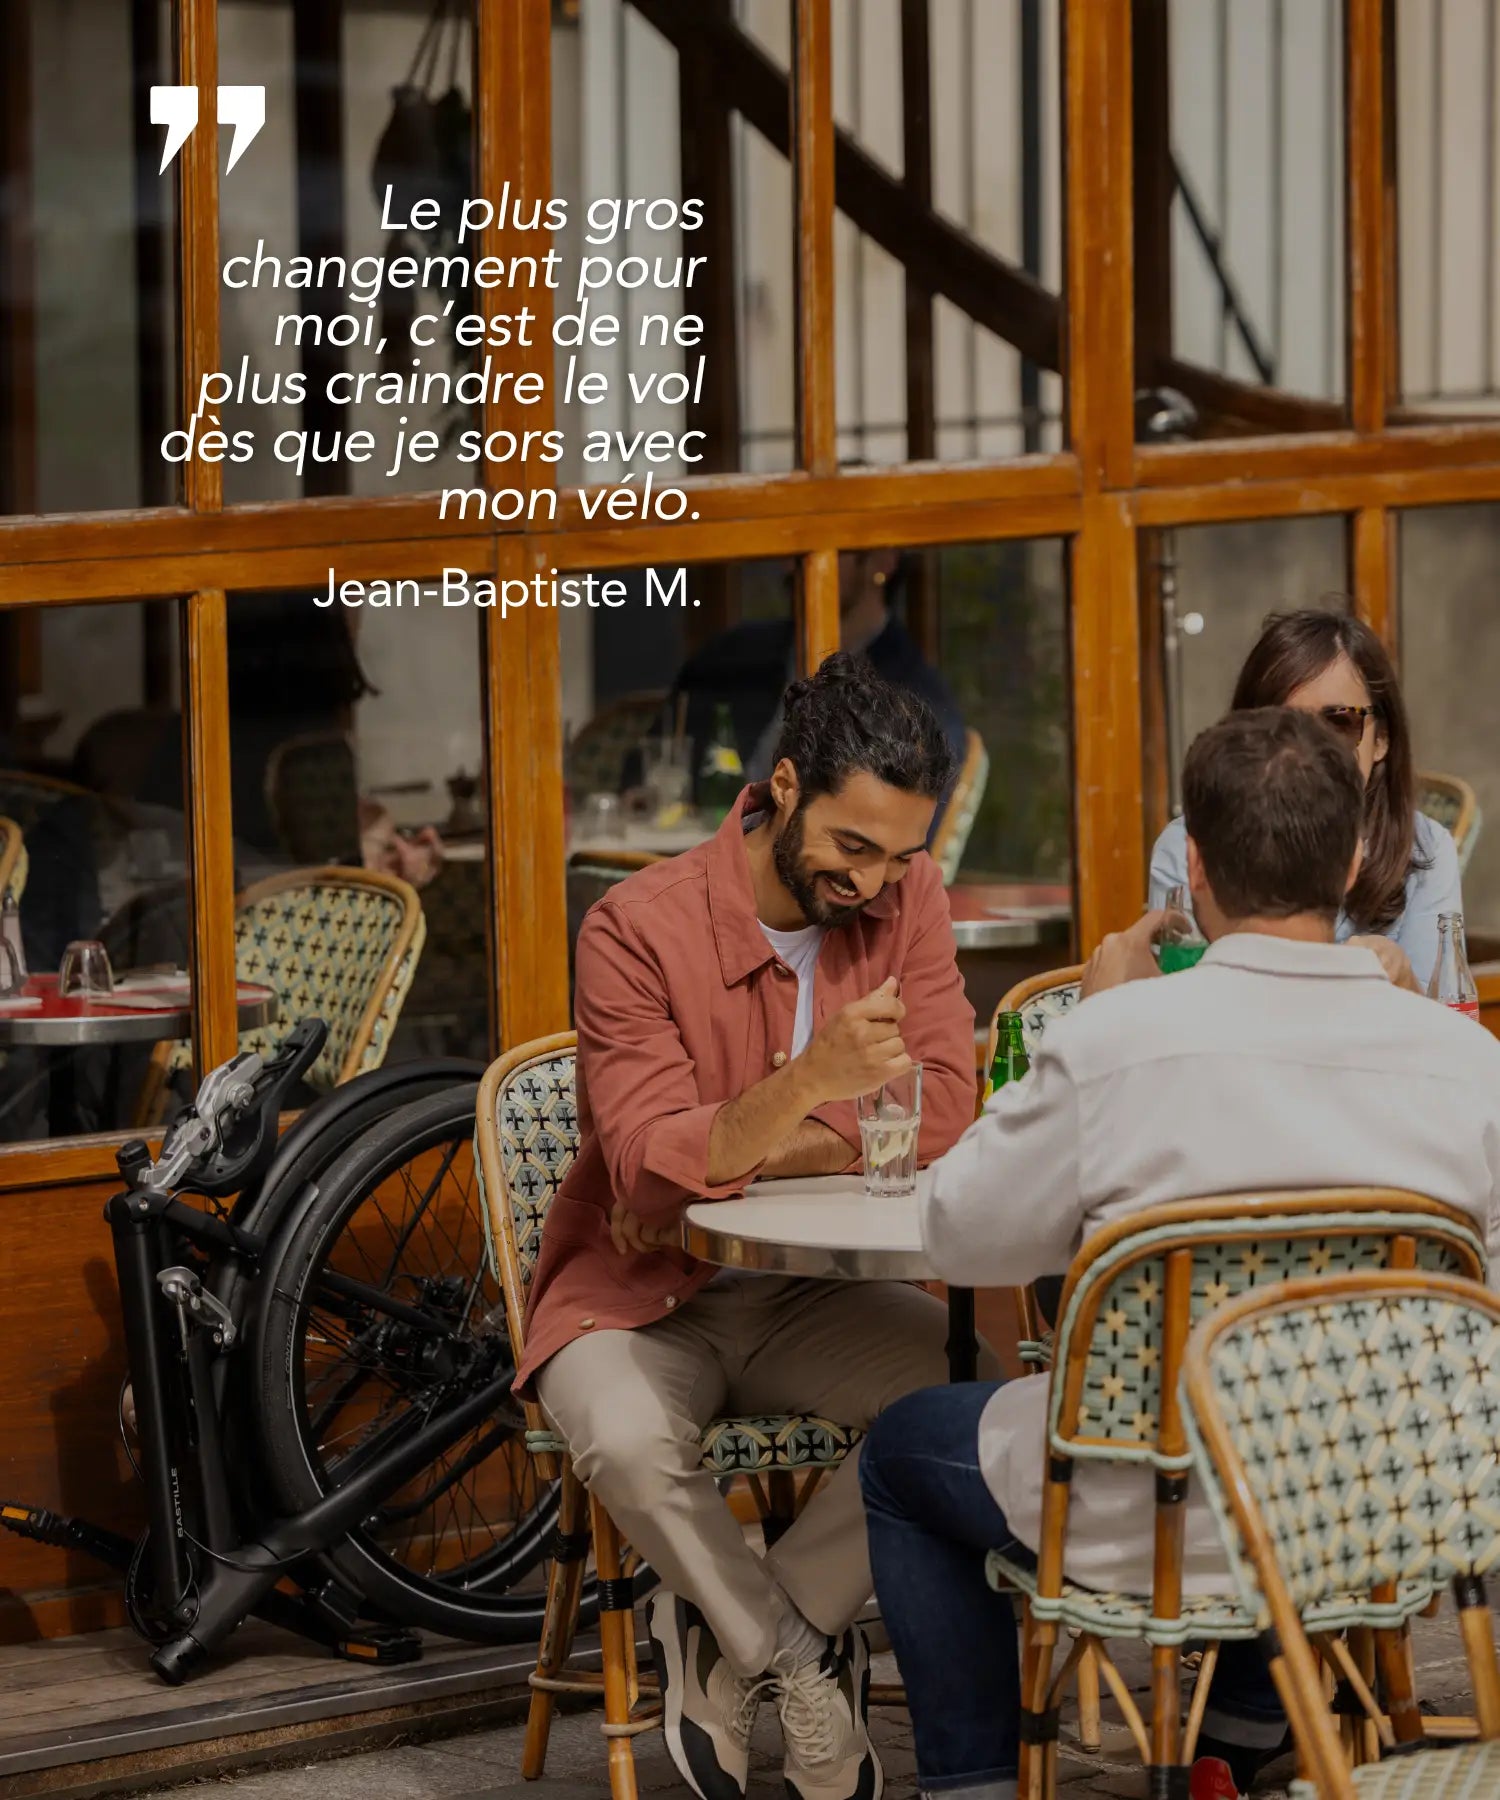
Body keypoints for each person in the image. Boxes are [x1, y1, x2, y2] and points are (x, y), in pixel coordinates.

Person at [859, 706, 1500, 1800]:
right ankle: (1250, 1726)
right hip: (1371, 1512)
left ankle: (971, 1785)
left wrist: (1087, 1026)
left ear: (1191, 864)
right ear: (1353, 859)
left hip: (1143, 1517)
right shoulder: (1465, 1061)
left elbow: (958, 1233)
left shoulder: (1117, 1042)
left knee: (903, 1452)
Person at [515, 654, 982, 1800]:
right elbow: (645, 1161)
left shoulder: (910, 900)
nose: (874, 884)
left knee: (973, 1393)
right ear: (781, 788)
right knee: (622, 1440)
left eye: (899, 857)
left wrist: (754, 1137)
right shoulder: (635, 928)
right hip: (634, 1295)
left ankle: (733, 1626)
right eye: (852, 847)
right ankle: (786, 1654)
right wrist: (824, 1086)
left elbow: (949, 1107)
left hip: (809, 1293)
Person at [1151, 608, 1461, 993]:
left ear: (1381, 739)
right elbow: (1178, 1004)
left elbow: (1449, 1029)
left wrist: (1406, 981)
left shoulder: (1425, 851)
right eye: (1285, 724)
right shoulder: (1186, 847)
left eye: (1339, 722)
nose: (1312, 748)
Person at [669, 549, 969, 794]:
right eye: (791, 549)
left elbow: (905, 837)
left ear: (882, 560)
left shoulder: (913, 699)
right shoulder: (730, 656)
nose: (789, 565)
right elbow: (652, 768)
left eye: (817, 550)